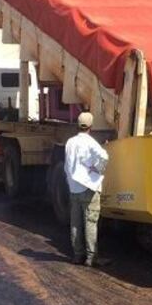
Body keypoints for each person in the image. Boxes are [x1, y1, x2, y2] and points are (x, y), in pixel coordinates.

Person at [64, 112, 109, 267]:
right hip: (89, 187)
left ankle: (77, 255)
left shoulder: (70, 142)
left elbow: (67, 164)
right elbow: (104, 156)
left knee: (75, 223)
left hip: (74, 188)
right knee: (90, 222)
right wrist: (97, 169)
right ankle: (91, 257)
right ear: (91, 126)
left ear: (78, 125)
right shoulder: (90, 142)